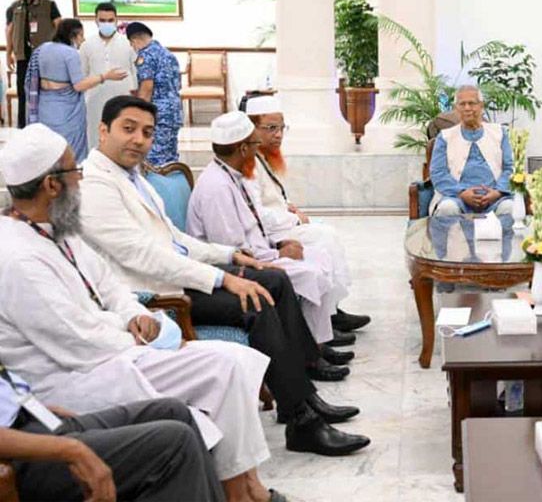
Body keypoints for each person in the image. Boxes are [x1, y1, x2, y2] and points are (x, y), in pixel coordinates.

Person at [0, 123, 288, 500]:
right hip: (75, 375)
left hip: (112, 352)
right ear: (52, 185)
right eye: (75, 171)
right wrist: (138, 335)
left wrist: (135, 315)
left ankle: (242, 488)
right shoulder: (16, 257)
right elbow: (77, 340)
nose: (81, 181)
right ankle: (241, 491)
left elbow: (110, 288)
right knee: (225, 366)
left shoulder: (56, 228)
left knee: (233, 361)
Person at [79, 96, 367, 446]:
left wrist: (231, 255)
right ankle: (301, 422)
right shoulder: (94, 184)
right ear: (103, 130)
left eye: (147, 132)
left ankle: (305, 394)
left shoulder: (132, 178)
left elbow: (176, 239)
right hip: (156, 295)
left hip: (178, 277)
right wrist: (222, 276)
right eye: (129, 129)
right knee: (256, 301)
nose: (139, 139)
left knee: (274, 279)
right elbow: (140, 255)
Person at [187, 111, 356, 351]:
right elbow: (232, 250)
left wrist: (279, 245)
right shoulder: (216, 188)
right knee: (310, 273)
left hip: (259, 253)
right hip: (234, 268)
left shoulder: (232, 175)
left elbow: (253, 227)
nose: (258, 151)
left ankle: (317, 340)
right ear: (242, 149)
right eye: (255, 144)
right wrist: (278, 255)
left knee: (320, 256)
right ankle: (313, 350)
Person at [242, 93, 370, 333]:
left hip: (282, 224)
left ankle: (331, 312)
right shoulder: (248, 164)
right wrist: (295, 219)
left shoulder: (265, 157)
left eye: (281, 128)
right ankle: (328, 318)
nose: (278, 135)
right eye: (271, 128)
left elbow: (275, 196)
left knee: (327, 236)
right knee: (324, 238)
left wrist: (290, 208)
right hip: (271, 235)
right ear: (252, 129)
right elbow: (258, 214)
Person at [1, 370, 226, 502]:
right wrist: (71, 450)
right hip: (15, 452)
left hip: (30, 416)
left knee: (173, 411)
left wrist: (28, 404)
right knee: (174, 443)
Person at [24, 19, 126, 160]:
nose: (83, 39)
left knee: (47, 148)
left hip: (44, 107)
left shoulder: (42, 49)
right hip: (65, 111)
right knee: (68, 151)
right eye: (81, 35)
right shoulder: (70, 53)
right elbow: (79, 85)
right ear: (73, 36)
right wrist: (105, 76)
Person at [429, 85, 514, 215]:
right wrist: (462, 193)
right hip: (456, 197)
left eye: (472, 103)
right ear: (456, 108)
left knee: (510, 208)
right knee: (447, 208)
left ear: (481, 106)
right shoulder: (445, 137)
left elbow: (510, 168)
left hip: (496, 198)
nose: (467, 108)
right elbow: (438, 173)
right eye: (462, 104)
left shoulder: (499, 133)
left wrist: (497, 192)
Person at [5, 0, 61, 128]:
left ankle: (47, 127)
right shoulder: (14, 7)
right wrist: (8, 54)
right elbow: (9, 31)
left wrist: (58, 50)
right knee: (23, 94)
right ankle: (24, 129)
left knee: (45, 92)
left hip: (44, 57)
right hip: (23, 57)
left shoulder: (48, 4)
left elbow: (59, 25)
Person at [80, 2, 135, 151]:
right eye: (102, 20)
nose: (106, 23)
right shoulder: (87, 45)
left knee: (123, 140)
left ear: (116, 20)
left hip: (123, 101)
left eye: (110, 20)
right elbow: (82, 76)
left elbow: (135, 73)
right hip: (95, 102)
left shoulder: (128, 44)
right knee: (96, 140)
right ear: (96, 20)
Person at [126, 21, 181, 165]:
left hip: (158, 113)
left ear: (134, 40)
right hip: (174, 111)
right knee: (170, 156)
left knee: (155, 159)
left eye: (131, 44)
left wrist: (139, 113)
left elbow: (147, 87)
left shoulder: (146, 56)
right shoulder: (168, 54)